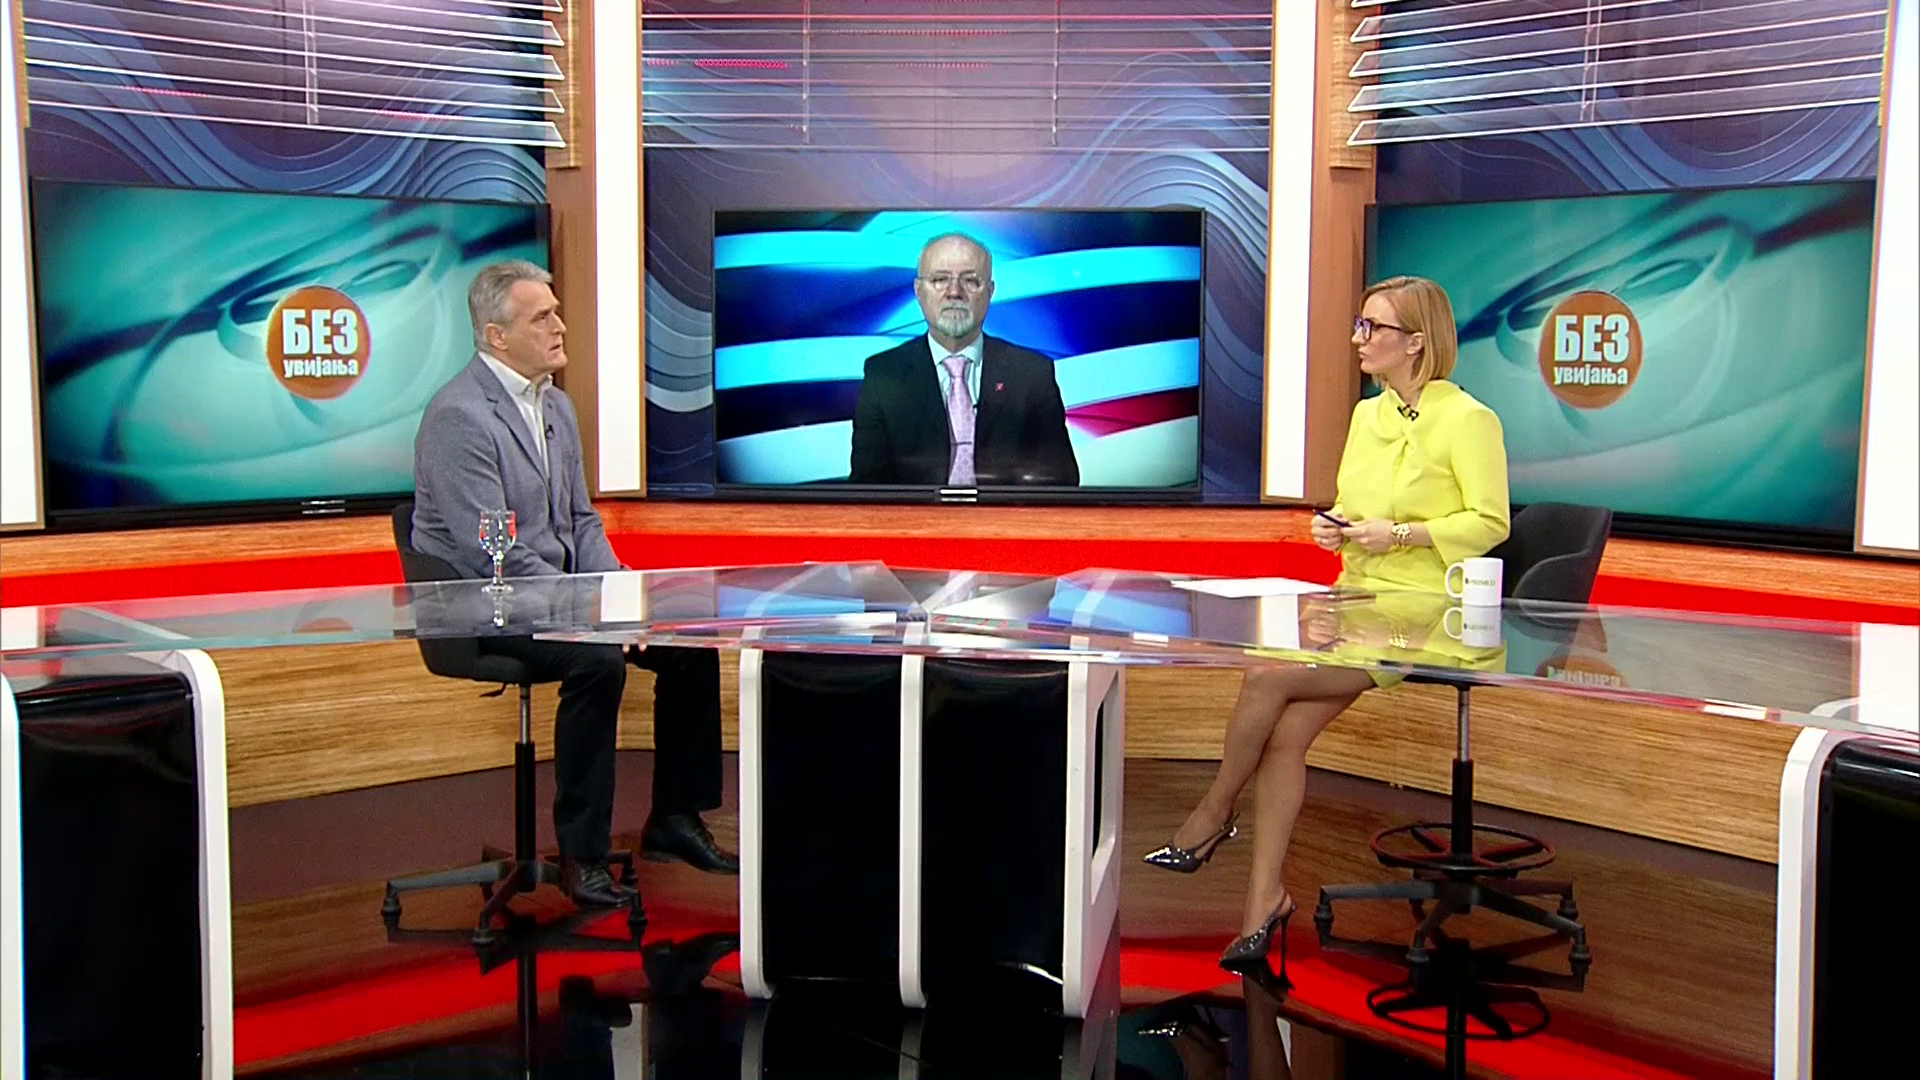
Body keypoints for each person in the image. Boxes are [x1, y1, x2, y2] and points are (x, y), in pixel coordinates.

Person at [1140, 275, 1510, 974]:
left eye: (1373, 327)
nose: (1358, 339)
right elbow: (1350, 505)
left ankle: (1213, 814)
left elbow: (1490, 523)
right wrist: (1333, 528)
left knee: (1265, 675)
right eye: (1359, 324)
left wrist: (1398, 535)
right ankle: (1263, 906)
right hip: (1354, 597)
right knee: (1285, 734)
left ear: (1417, 343)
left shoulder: (1469, 420)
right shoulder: (1369, 416)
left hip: (1425, 612)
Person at [411, 260, 738, 910]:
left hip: (562, 599)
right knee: (597, 664)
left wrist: (624, 599)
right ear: (497, 336)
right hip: (486, 608)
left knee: (685, 641)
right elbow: (494, 557)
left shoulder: (554, 404)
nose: (561, 327)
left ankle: (675, 819)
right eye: (543, 317)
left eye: (557, 311)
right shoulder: (458, 418)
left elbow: (581, 522)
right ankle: (581, 855)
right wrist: (596, 614)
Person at [848, 233, 1079, 487]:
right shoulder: (883, 377)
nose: (954, 292)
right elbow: (866, 490)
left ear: (990, 292)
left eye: (970, 280)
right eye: (940, 280)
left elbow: (1061, 482)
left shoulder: (1032, 374)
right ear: (918, 292)